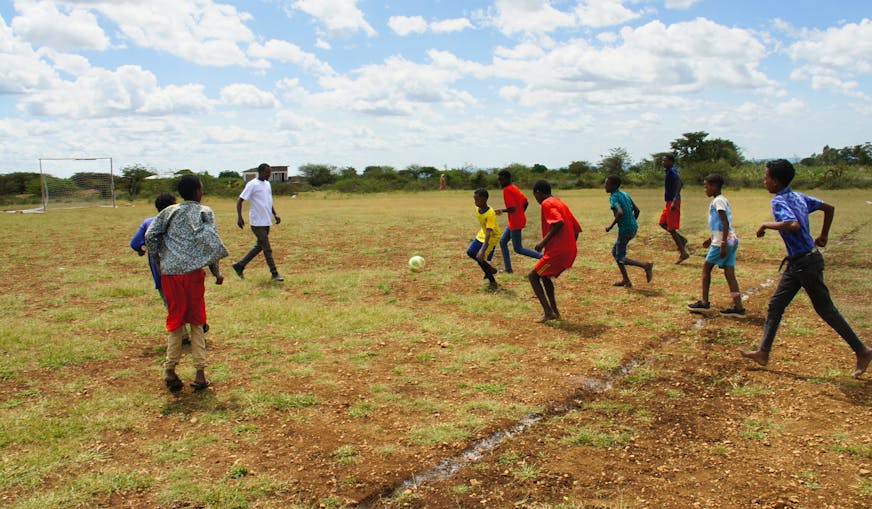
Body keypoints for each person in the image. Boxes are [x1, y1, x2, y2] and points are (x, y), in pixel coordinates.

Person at [741, 159, 872, 378]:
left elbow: (793, 225)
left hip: (805, 264)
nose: (764, 181)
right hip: (799, 263)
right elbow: (829, 208)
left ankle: (862, 350)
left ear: (775, 181)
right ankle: (763, 352)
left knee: (826, 310)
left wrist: (766, 224)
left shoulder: (780, 201)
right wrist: (824, 235)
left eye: (766, 178)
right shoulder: (799, 196)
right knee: (775, 305)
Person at [145, 174, 227, 392]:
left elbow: (150, 235)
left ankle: (170, 369)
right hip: (192, 275)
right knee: (197, 321)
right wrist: (216, 272)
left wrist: (160, 259)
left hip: (170, 275)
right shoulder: (204, 212)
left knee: (175, 320)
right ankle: (200, 373)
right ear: (198, 192)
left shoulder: (168, 212)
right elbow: (211, 244)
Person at [130, 192, 195, 344]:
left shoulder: (148, 222)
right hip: (182, 268)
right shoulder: (180, 222)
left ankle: (183, 334)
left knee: (171, 303)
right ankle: (197, 325)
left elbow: (135, 242)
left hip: (161, 272)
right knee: (188, 298)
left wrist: (141, 249)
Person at [686, 174, 745, 316]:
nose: (705, 189)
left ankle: (704, 302)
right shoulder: (722, 199)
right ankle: (738, 307)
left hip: (722, 242)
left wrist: (722, 243)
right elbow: (719, 225)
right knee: (730, 274)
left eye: (706, 187)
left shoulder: (718, 201)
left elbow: (725, 222)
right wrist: (710, 238)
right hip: (731, 239)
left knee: (706, 269)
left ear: (714, 186)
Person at [529, 180, 582, 322]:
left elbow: (558, 223)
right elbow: (576, 229)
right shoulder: (560, 203)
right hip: (568, 250)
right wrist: (569, 246)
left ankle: (548, 312)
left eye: (535, 196)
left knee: (533, 276)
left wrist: (542, 243)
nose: (537, 200)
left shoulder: (547, 204)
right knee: (544, 276)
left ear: (538, 193)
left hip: (558, 252)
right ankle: (554, 312)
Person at [232, 163, 283, 282]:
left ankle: (239, 265)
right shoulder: (252, 184)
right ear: (260, 172)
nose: (269, 175)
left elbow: (269, 202)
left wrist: (275, 214)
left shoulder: (267, 184)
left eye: (270, 172)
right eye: (267, 172)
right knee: (267, 248)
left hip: (266, 220)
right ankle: (274, 273)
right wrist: (239, 217)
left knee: (260, 246)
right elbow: (240, 201)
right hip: (257, 222)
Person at [604, 175, 653, 288]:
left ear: (614, 186)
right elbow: (637, 210)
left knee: (620, 257)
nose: (605, 186)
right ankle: (626, 280)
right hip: (632, 227)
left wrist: (610, 226)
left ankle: (645, 265)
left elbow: (620, 213)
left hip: (625, 230)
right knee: (615, 252)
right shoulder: (625, 194)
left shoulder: (614, 197)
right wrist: (631, 222)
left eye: (607, 184)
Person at [495, 170, 542, 274]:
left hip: (515, 223)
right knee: (503, 242)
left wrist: (501, 211)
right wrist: (521, 213)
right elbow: (526, 201)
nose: (499, 181)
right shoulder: (514, 187)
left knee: (518, 249)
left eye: (501, 179)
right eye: (499, 179)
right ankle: (508, 269)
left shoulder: (507, 190)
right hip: (515, 221)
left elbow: (512, 209)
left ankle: (543, 258)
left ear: (507, 179)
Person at [659, 154, 690, 263]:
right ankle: (682, 239)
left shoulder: (672, 171)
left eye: (665, 160)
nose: (663, 162)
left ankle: (683, 253)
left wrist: (674, 200)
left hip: (673, 202)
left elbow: (680, 183)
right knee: (662, 223)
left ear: (671, 161)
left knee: (672, 229)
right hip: (669, 202)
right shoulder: (668, 171)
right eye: (662, 160)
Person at [466, 188, 499, 289]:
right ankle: (490, 269)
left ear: (484, 199)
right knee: (470, 252)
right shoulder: (478, 208)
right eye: (474, 199)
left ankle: (492, 280)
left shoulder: (490, 214)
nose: (475, 202)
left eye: (477, 199)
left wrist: (482, 250)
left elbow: (489, 235)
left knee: (480, 257)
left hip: (492, 236)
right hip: (483, 232)